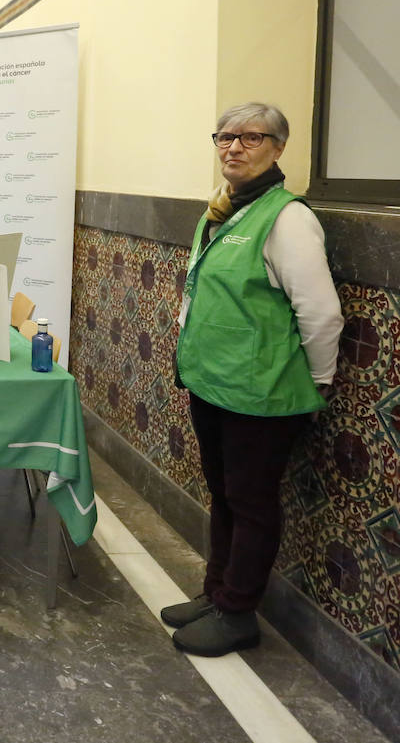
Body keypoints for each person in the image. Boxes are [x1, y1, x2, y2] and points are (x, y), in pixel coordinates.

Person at [163, 101, 343, 657]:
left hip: (262, 395)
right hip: (213, 384)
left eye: (251, 138)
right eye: (225, 137)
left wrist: (318, 384)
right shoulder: (222, 211)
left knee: (251, 501)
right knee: (223, 494)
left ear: (278, 148)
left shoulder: (288, 218)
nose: (234, 147)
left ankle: (239, 612)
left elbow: (321, 312)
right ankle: (217, 593)